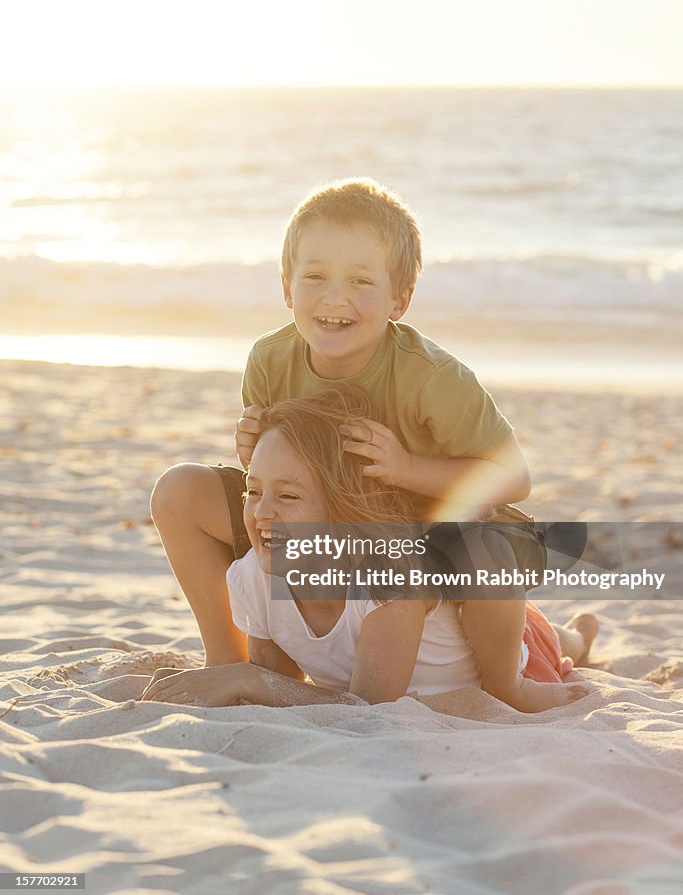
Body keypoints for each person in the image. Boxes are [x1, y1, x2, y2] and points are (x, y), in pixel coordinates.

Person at [150, 177, 580, 668]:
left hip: (433, 530)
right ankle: (229, 660)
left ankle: (565, 640)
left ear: (400, 299)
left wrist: (404, 468)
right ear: (287, 288)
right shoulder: (270, 360)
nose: (335, 298)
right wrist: (254, 454)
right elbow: (278, 483)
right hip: (336, 531)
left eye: (360, 281)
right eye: (315, 278)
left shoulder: (432, 377)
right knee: (179, 491)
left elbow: (513, 480)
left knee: (504, 604)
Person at [142, 389, 597, 711]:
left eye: (289, 497)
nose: (262, 513)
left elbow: (368, 706)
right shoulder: (249, 579)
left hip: (508, 650)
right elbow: (280, 684)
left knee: (552, 641)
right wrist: (225, 679)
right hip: (454, 622)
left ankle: (581, 633)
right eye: (253, 491)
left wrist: (244, 678)